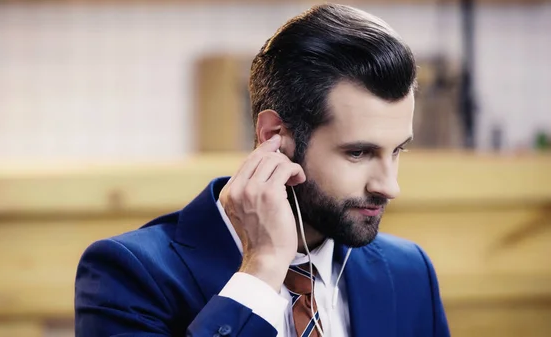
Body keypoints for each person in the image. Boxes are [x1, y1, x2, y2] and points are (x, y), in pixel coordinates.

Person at [74, 4, 450, 337]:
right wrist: (263, 268)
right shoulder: (127, 275)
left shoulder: (409, 272)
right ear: (274, 136)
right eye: (358, 152)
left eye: (397, 150)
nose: (389, 185)